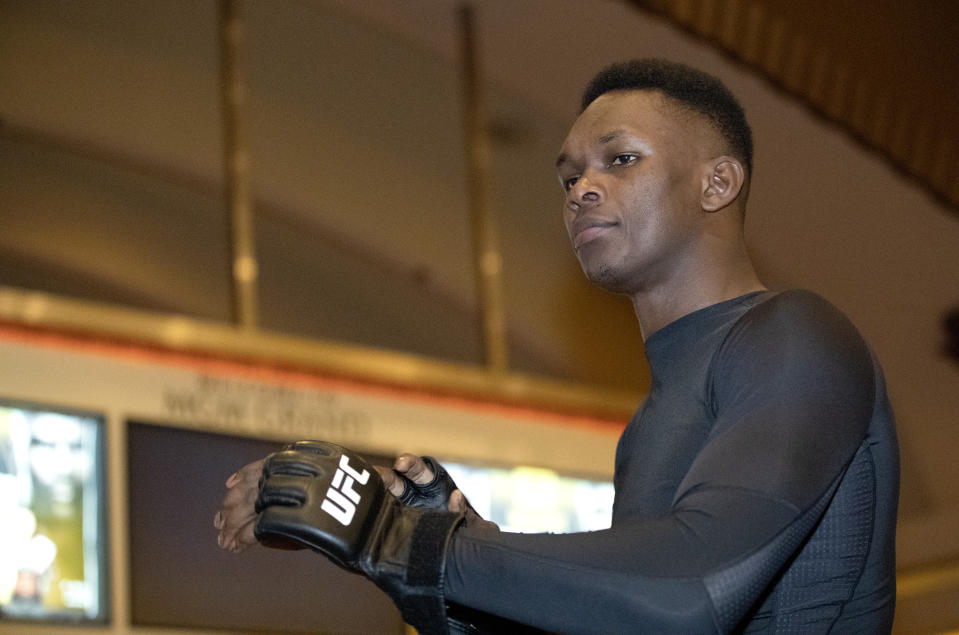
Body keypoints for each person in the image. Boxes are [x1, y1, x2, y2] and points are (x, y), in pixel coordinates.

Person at [216, 59, 899, 633]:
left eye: (620, 159)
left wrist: (399, 538)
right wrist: (438, 581)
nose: (581, 190)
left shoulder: (795, 334)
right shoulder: (649, 427)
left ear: (716, 182)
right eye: (568, 177)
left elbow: (692, 590)